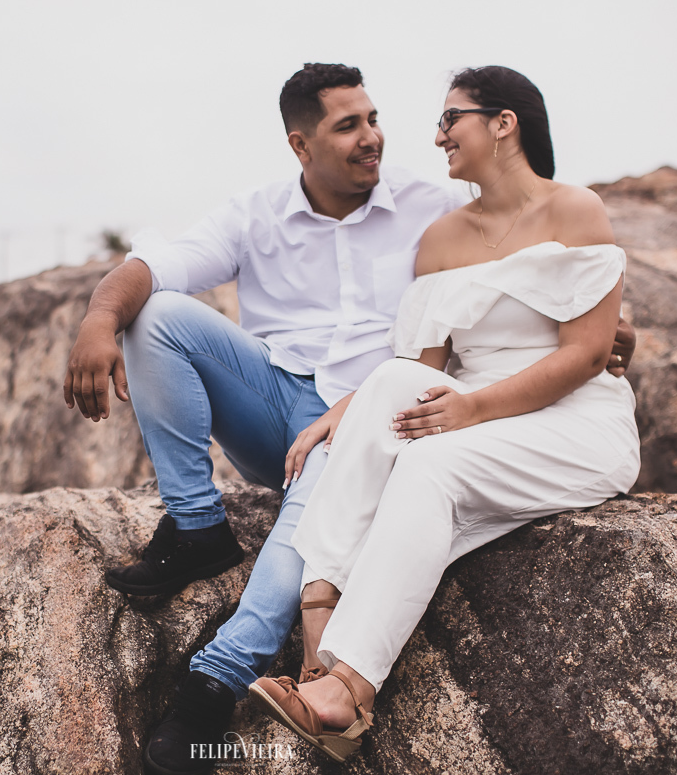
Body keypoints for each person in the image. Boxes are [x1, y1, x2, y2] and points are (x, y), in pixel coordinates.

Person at [63, 63, 635, 775]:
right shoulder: (272, 214)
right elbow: (166, 260)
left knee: (375, 442)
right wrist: (99, 316)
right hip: (283, 402)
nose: (380, 138)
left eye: (375, 119)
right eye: (349, 126)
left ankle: (232, 680)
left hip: (412, 412)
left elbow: (553, 296)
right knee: (156, 316)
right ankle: (197, 526)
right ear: (302, 146)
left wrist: (605, 331)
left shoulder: (440, 204)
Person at [247, 65, 641, 763]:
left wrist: (472, 408)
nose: (435, 138)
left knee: (431, 465)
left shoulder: (574, 211)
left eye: (450, 119)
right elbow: (418, 374)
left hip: (572, 419)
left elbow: (585, 356)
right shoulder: (441, 239)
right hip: (476, 411)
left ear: (502, 122)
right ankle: (320, 623)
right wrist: (349, 409)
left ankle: (346, 690)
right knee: (391, 385)